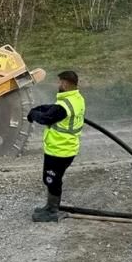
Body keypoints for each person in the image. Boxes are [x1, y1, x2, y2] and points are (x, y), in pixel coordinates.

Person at [26, 70, 85, 223]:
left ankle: (52, 211)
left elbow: (47, 118)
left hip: (59, 150)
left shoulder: (64, 106)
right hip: (67, 148)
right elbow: (53, 109)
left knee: (52, 179)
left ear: (66, 83)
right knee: (53, 178)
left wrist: (33, 114)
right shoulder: (76, 99)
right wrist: (40, 108)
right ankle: (50, 206)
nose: (58, 84)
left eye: (60, 82)